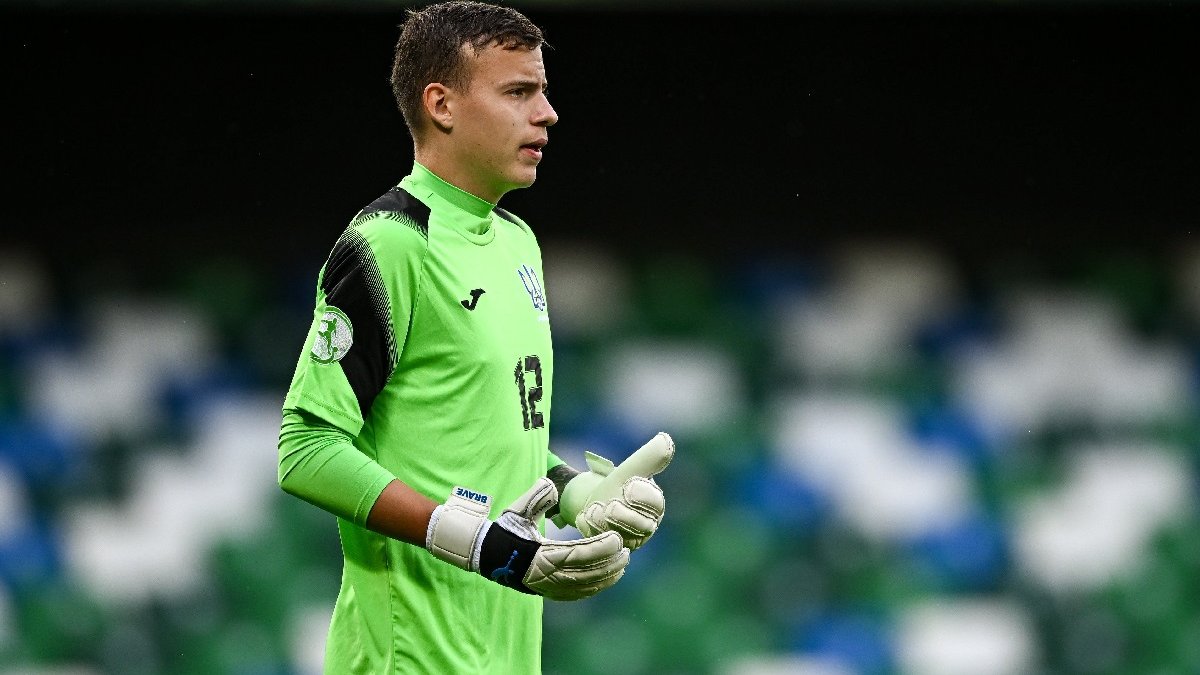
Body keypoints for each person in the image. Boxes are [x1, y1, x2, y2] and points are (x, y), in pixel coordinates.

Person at [276, 2, 671, 672]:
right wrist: (478, 544)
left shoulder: (517, 241)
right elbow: (306, 450)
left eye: (542, 91)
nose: (547, 113)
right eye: (518, 92)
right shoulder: (390, 244)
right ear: (442, 105)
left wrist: (576, 494)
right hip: (412, 658)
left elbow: (482, 436)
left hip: (507, 655)